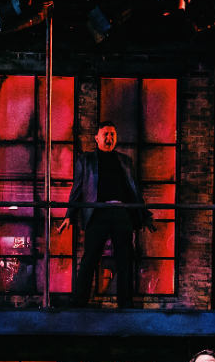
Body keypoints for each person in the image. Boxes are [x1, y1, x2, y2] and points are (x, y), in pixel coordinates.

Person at [64, 122, 154, 308]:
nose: (109, 138)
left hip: (121, 211)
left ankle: (125, 303)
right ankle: (80, 301)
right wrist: (69, 215)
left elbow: (134, 190)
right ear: (96, 138)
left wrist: (145, 215)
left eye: (112, 134)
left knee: (125, 258)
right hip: (97, 211)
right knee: (90, 257)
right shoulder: (86, 160)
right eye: (105, 134)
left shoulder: (125, 161)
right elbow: (77, 189)